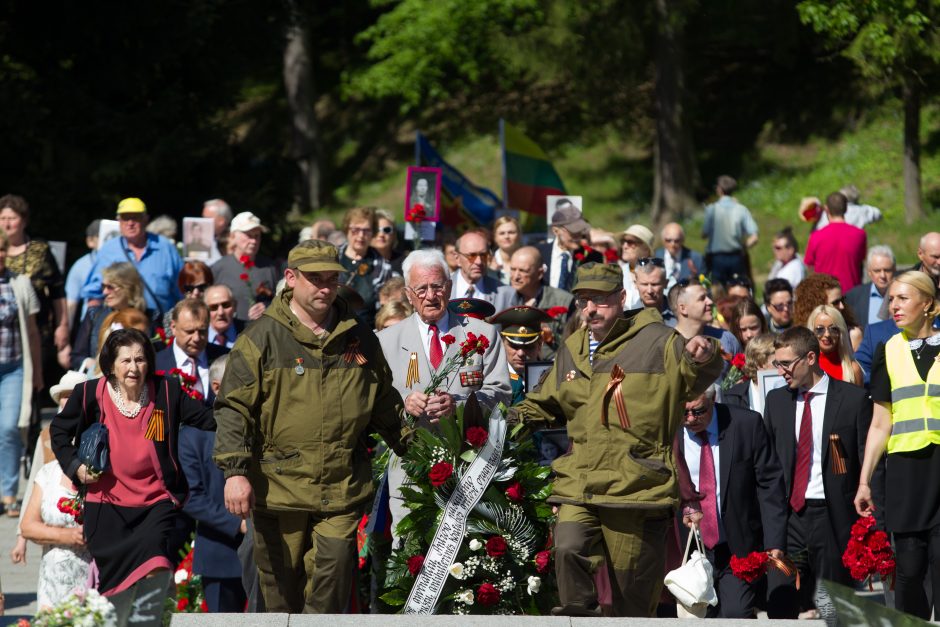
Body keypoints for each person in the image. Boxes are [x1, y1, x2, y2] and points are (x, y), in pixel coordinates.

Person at [510, 262, 723, 617]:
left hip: (637, 488)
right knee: (567, 547)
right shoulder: (573, 347)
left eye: (600, 300)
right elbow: (547, 403)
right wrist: (502, 422)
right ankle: (580, 618)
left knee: (633, 602)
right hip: (581, 481)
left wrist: (703, 354)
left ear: (623, 298)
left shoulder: (659, 341)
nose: (590, 309)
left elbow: (693, 375)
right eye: (582, 301)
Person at [213, 239, 408, 613]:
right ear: (290, 278)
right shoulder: (260, 339)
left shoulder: (359, 336)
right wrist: (234, 472)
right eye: (314, 278)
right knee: (279, 599)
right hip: (278, 491)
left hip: (340, 490)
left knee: (331, 586)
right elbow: (233, 409)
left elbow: (384, 402)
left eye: (331, 279)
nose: (324, 287)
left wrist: (419, 451)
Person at [50, 328, 216, 597]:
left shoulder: (165, 391)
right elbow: (58, 432)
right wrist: (76, 467)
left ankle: (157, 617)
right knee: (117, 592)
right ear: (111, 366)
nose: (133, 368)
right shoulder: (90, 393)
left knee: (157, 566)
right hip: (106, 509)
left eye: (140, 359)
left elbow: (208, 419)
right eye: (125, 361)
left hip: (155, 503)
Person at [378, 249, 510, 542]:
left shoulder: (482, 334)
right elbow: (373, 404)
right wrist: (403, 405)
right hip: (411, 468)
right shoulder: (386, 341)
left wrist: (460, 405)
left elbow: (501, 394)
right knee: (411, 556)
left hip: (470, 467)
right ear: (408, 294)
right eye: (421, 289)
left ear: (449, 288)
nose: (430, 295)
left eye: (437, 286)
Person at [763, 326, 871, 619]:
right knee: (781, 601)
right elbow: (769, 467)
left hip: (830, 518)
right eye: (777, 363)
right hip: (788, 521)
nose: (781, 371)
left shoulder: (851, 400)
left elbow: (865, 460)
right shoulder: (776, 401)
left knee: (831, 606)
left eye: (786, 364)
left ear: (811, 357)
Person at [853, 271, 940, 619]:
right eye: (890, 299)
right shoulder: (887, 350)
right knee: (908, 569)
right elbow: (879, 422)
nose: (894, 306)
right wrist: (864, 481)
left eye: (903, 298)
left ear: (928, 304)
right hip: (905, 471)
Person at [677, 385, 787, 618]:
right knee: (696, 616)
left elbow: (769, 484)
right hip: (688, 546)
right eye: (683, 412)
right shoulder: (669, 431)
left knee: (736, 614)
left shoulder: (746, 424)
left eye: (698, 411)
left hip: (736, 544)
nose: (690, 419)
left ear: (713, 399)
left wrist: (774, 540)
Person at [179, 354, 248, 612]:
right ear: (217, 387)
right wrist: (237, 523)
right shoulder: (193, 436)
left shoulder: (263, 427)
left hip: (267, 554)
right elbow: (191, 497)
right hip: (221, 555)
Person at [81, 198, 182, 324]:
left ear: (146, 219)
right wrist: (92, 327)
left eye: (135, 218)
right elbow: (94, 294)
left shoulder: (166, 248)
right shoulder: (108, 250)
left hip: (159, 327)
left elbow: (181, 293)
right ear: (118, 221)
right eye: (125, 218)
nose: (130, 223)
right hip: (118, 326)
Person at [0, 194, 70, 374]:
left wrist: (62, 326)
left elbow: (57, 290)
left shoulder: (40, 251)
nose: (7, 224)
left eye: (12, 218)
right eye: (3, 218)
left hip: (36, 331)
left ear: (23, 221)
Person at [0, 228, 43, 517]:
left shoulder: (21, 283)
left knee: (9, 428)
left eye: (3, 250)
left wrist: (37, 371)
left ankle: (8, 493)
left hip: (14, 367)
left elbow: (32, 331)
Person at [19, 454, 91, 610]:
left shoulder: (107, 473)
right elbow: (27, 526)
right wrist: (66, 535)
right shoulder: (49, 472)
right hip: (52, 586)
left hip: (93, 584)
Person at [493, 246, 574, 359]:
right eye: (513, 269)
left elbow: (573, 345)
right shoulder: (501, 298)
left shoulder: (564, 301)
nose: (516, 276)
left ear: (540, 273)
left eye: (523, 271)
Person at [71, 262, 148, 372]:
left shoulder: (149, 317)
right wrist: (89, 363)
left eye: (110, 287)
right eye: (103, 287)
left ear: (129, 287)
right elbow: (76, 356)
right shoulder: (95, 315)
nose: (105, 292)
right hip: (98, 379)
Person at [210, 211, 279, 323]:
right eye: (249, 235)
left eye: (257, 236)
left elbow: (282, 301)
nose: (254, 241)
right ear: (233, 236)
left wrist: (267, 307)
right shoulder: (219, 268)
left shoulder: (269, 267)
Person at [156, 299, 228, 406]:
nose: (197, 338)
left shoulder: (226, 358)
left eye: (203, 331)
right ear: (173, 328)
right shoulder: (156, 363)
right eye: (189, 331)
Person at [337, 207, 396, 327]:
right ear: (346, 230)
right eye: (355, 230)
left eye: (366, 230)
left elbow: (387, 308)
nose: (361, 235)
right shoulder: (332, 257)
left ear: (373, 233)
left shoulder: (382, 266)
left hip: (367, 331)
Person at [669, 279, 743, 367]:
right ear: (683, 308)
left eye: (708, 297)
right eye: (702, 298)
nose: (710, 302)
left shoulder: (726, 339)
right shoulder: (667, 346)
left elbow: (742, 376)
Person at [804, 192, 867, 293]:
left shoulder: (816, 236)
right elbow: (861, 263)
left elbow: (810, 268)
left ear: (826, 209)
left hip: (824, 294)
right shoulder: (860, 234)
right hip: (852, 293)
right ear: (846, 209)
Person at [702, 175, 758, 285]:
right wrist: (744, 246)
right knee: (738, 288)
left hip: (717, 258)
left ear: (719, 189)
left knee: (717, 290)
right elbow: (754, 236)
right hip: (736, 256)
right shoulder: (741, 209)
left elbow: (704, 234)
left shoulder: (712, 209)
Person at [490, 306, 552, 405]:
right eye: (514, 346)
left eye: (528, 346)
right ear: (502, 343)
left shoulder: (552, 376)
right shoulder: (491, 377)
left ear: (540, 344)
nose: (521, 353)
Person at [794, 273, 863, 350]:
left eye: (842, 300)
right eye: (835, 302)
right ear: (817, 305)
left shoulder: (852, 335)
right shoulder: (799, 337)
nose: (842, 306)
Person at [537, 204, 593, 291]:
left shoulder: (591, 257)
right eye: (573, 232)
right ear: (556, 231)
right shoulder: (538, 253)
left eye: (581, 231)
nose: (578, 236)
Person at [806, 305, 864, 386]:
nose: (827, 334)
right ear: (812, 332)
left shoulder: (853, 369)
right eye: (820, 329)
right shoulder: (804, 367)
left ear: (841, 332)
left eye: (833, 329)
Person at [721, 333, 777, 415]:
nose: (784, 367)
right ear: (760, 364)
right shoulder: (734, 397)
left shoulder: (792, 391)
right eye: (777, 363)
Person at [845, 245, 896, 330]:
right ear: (869, 272)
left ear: (894, 269)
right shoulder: (854, 296)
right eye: (877, 271)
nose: (882, 275)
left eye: (887, 270)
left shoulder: (904, 295)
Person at [64, 219, 100, 330]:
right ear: (90, 241)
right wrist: (66, 337)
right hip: (90, 327)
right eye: (102, 237)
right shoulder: (80, 266)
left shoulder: (124, 262)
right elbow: (70, 304)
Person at [655, 222, 704, 291]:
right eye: (668, 240)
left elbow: (704, 285)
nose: (673, 244)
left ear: (682, 240)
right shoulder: (655, 256)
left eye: (676, 241)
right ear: (663, 240)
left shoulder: (695, 258)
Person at [617, 225, 654, 308]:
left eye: (630, 242)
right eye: (623, 241)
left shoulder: (660, 273)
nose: (624, 246)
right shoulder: (618, 272)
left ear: (646, 248)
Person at [635, 260, 674, 325]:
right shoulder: (627, 316)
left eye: (654, 284)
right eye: (644, 284)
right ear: (635, 284)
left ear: (666, 283)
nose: (649, 291)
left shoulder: (679, 313)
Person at [205, 285, 242, 349]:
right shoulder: (197, 337)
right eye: (213, 307)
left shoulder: (250, 332)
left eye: (226, 305)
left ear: (235, 306)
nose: (220, 312)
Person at [370, 209, 406, 275]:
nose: (381, 235)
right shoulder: (359, 260)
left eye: (387, 230)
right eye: (375, 230)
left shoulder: (405, 263)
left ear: (394, 234)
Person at [489, 216, 521, 285]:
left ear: (519, 235)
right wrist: (490, 272)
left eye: (511, 232)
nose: (506, 236)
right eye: (502, 233)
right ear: (495, 237)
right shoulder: (487, 262)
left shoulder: (529, 260)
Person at [202, 198, 233, 262]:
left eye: (207, 218)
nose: (202, 222)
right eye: (203, 218)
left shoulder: (233, 241)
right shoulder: (201, 238)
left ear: (221, 221)